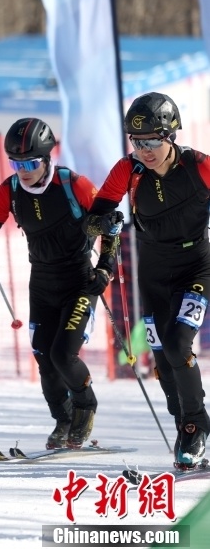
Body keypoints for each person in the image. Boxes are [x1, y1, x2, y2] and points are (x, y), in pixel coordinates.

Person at [0, 118, 120, 450]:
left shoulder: (75, 185)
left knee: (62, 353)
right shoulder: (10, 190)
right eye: (15, 162)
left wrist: (105, 268)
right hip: (41, 283)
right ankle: (63, 420)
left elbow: (109, 228)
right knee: (44, 358)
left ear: (46, 158)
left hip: (79, 282)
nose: (22, 170)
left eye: (29, 162)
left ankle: (85, 406)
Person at [85, 92, 210, 469]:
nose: (145, 150)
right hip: (153, 273)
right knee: (162, 362)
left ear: (171, 135)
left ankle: (195, 426)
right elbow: (94, 218)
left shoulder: (198, 166)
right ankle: (183, 423)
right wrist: (103, 225)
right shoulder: (128, 170)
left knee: (178, 343)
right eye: (137, 142)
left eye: (153, 141)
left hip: (196, 269)